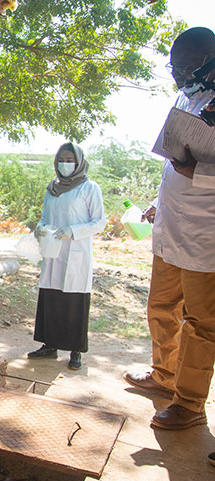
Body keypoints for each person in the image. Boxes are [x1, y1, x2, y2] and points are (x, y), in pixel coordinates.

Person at [123, 27, 215, 431]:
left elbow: (197, 166)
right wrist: (159, 203)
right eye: (174, 65)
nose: (179, 73)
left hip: (205, 236)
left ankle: (190, 404)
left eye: (188, 64)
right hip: (171, 229)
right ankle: (165, 376)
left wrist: (200, 172)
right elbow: (175, 160)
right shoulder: (185, 98)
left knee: (201, 324)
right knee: (161, 308)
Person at [28, 143, 106, 370]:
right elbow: (45, 216)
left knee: (74, 302)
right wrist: (40, 227)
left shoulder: (89, 188)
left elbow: (99, 222)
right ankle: (49, 345)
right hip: (53, 251)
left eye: (70, 159)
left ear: (79, 161)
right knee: (51, 297)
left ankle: (75, 351)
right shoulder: (52, 188)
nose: (65, 163)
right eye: (61, 159)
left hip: (75, 253)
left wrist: (73, 231)